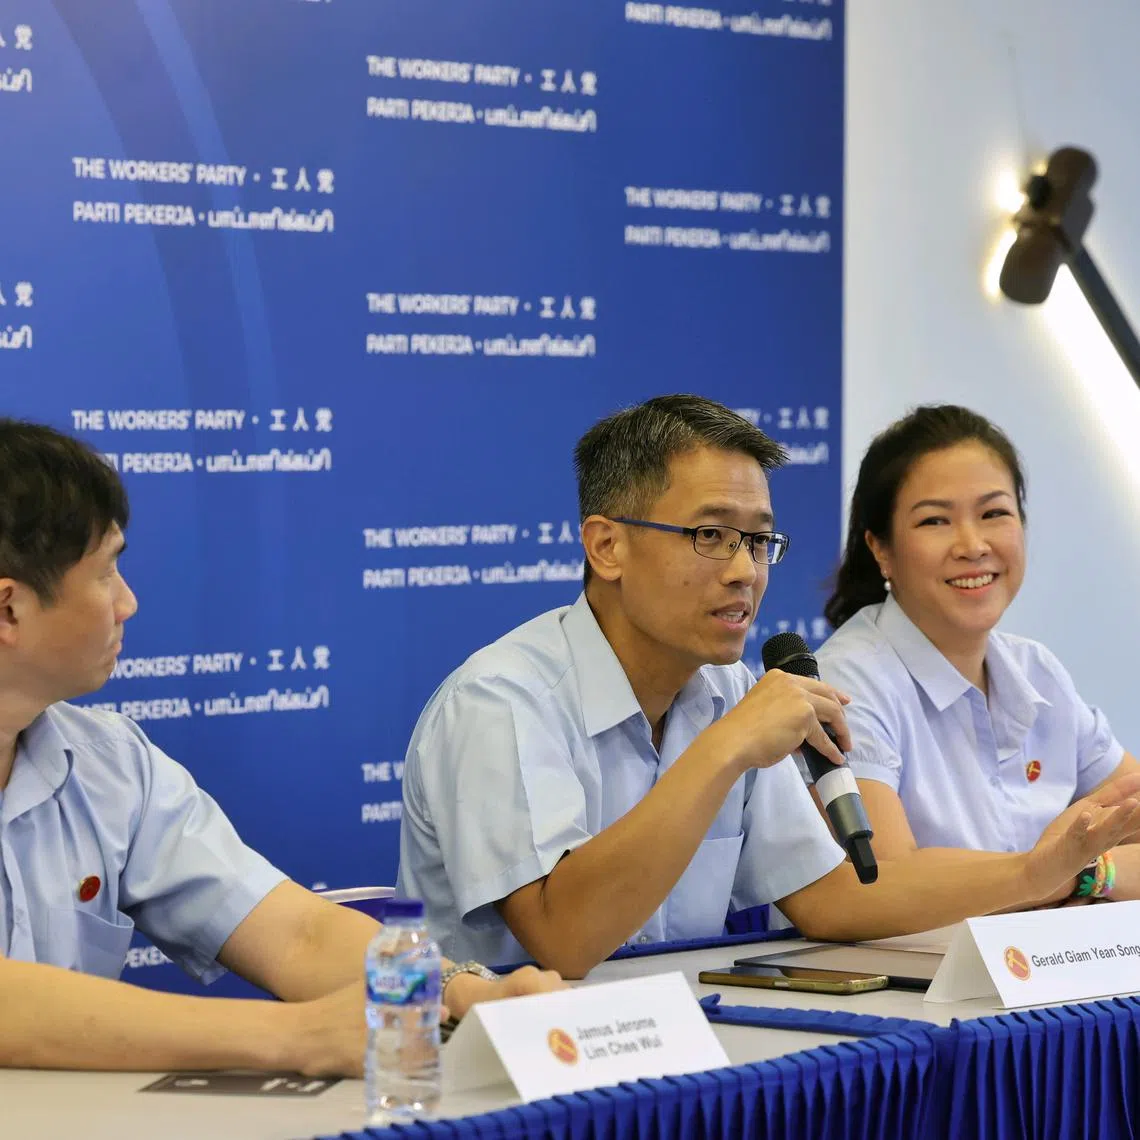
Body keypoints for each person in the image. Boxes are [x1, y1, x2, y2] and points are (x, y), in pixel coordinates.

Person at [396, 395, 1140, 978]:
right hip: (495, 1078)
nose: (744, 570)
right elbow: (563, 938)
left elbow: (834, 897)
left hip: (677, 1057)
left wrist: (1038, 874)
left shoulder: (724, 691)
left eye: (758, 540)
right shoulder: (501, 702)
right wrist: (723, 750)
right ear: (606, 545)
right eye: (709, 535)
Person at [0, 420, 560, 1075]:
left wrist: (466, 996)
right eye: (106, 572)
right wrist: (294, 1036)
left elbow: (293, 933)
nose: (129, 602)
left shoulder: (107, 763)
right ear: (9, 609)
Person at [817, 403, 1139, 906]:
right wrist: (1063, 871)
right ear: (881, 548)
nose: (972, 544)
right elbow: (883, 880)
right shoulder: (847, 683)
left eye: (994, 514)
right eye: (935, 521)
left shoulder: (1038, 670)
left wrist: (1086, 870)